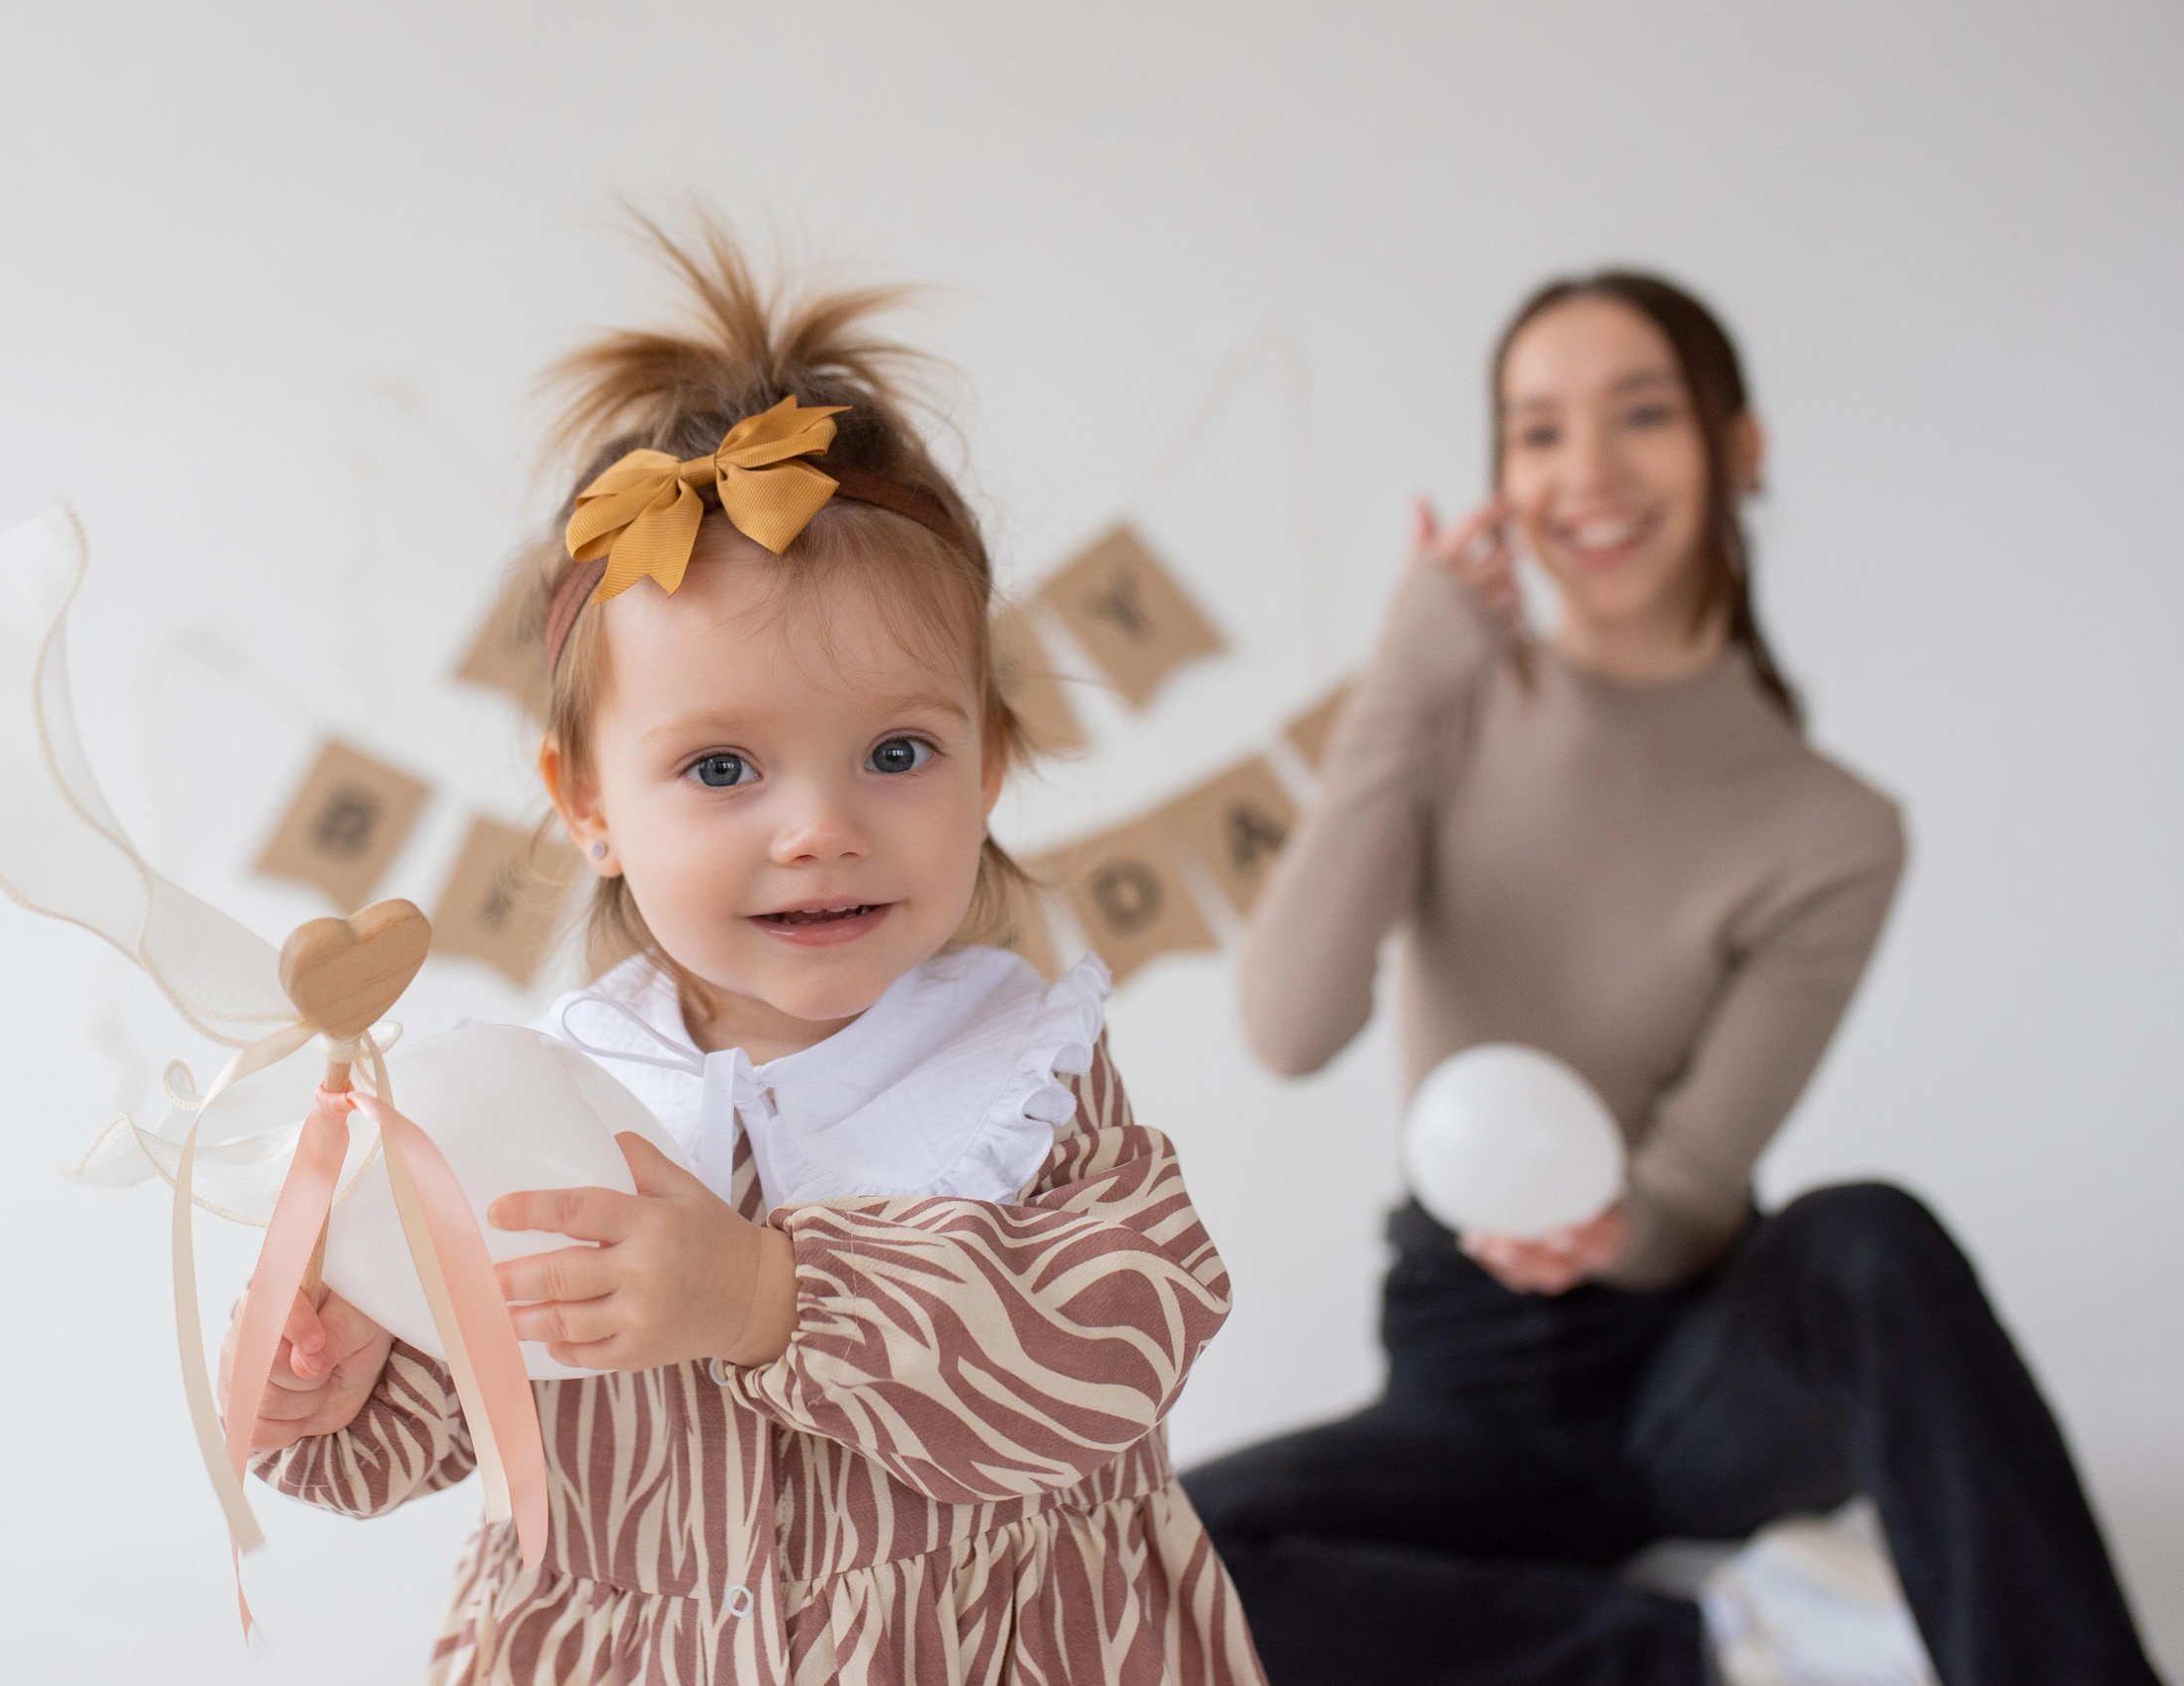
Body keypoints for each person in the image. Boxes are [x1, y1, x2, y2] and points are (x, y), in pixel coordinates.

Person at [218, 223, 1265, 1686]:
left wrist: (775, 1296)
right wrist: (332, 1386)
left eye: (897, 752)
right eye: (721, 770)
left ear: (992, 767)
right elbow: (464, 1396)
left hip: (1000, 1640)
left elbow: (1114, 1344)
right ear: (587, 803)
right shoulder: (558, 1101)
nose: (819, 829)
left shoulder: (1018, 1076)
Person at [1182, 271, 2164, 1685]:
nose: (1586, 471)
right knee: (1170, 1553)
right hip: (1474, 1379)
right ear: (1500, 473)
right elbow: (1290, 1024)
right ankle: (1719, 1648)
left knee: (1866, 1235)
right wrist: (1404, 682)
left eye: (1640, 414)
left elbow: (1701, 1181)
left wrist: (1614, 1222)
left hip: (1698, 1371)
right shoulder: (1447, 710)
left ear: (1738, 448)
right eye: (1536, 431)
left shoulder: (1835, 827)